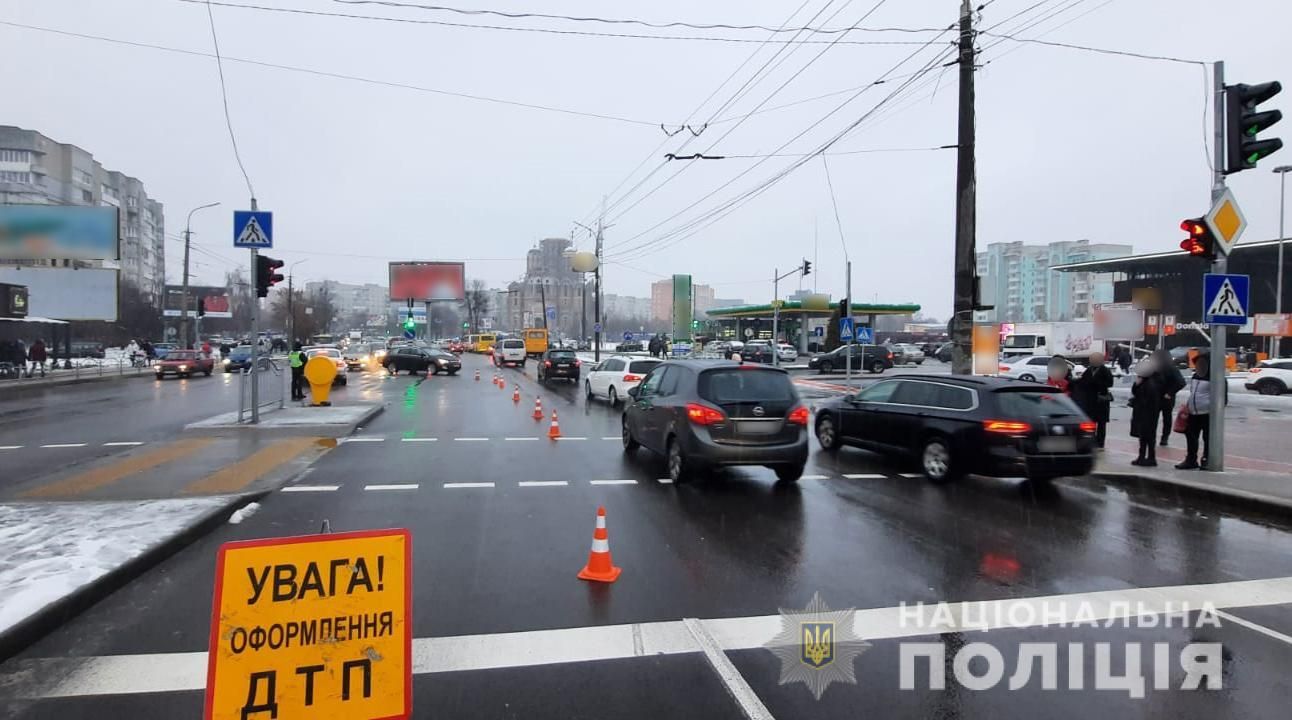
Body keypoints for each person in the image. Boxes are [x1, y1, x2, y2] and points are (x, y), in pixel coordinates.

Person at [1176, 353, 1220, 470]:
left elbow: (1222, 398)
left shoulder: (1216, 377)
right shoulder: (1196, 376)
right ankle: (1191, 460)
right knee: (1191, 437)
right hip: (1192, 412)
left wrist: (1214, 410)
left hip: (1207, 414)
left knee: (1208, 438)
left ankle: (1206, 460)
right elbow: (1193, 392)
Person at [1070, 350, 1114, 448]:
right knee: (1090, 422)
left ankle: (1100, 442)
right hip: (1090, 401)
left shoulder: (1105, 370)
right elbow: (1082, 381)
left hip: (1101, 401)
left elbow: (1110, 383)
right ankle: (1091, 440)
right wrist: (1073, 381)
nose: (1092, 361)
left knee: (1101, 424)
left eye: (1094, 359)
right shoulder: (1089, 370)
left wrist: (1095, 383)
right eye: (1091, 359)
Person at [1129, 357, 1164, 466]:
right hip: (1145, 414)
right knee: (1144, 437)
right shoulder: (1145, 382)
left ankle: (1150, 457)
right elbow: (1136, 392)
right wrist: (1137, 384)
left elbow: (1146, 400)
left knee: (1148, 437)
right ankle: (1143, 456)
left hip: (1147, 415)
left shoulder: (1150, 384)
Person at [1151, 348, 1186, 447]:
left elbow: (1181, 382)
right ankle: (1153, 436)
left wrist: (1170, 393)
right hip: (1155, 397)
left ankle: (1164, 437)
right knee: (1154, 418)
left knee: (1166, 418)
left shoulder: (1171, 369)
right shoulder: (1153, 369)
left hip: (1166, 398)